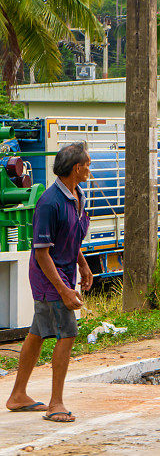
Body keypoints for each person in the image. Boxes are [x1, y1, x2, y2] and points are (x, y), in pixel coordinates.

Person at [5, 142, 92, 423]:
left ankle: (18, 395)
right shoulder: (50, 202)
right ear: (77, 168)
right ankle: (56, 403)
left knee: (38, 332)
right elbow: (42, 252)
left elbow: (70, 237)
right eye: (87, 164)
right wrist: (63, 289)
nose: (89, 169)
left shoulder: (77, 195)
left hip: (65, 272)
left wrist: (83, 264)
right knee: (67, 333)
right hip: (49, 278)